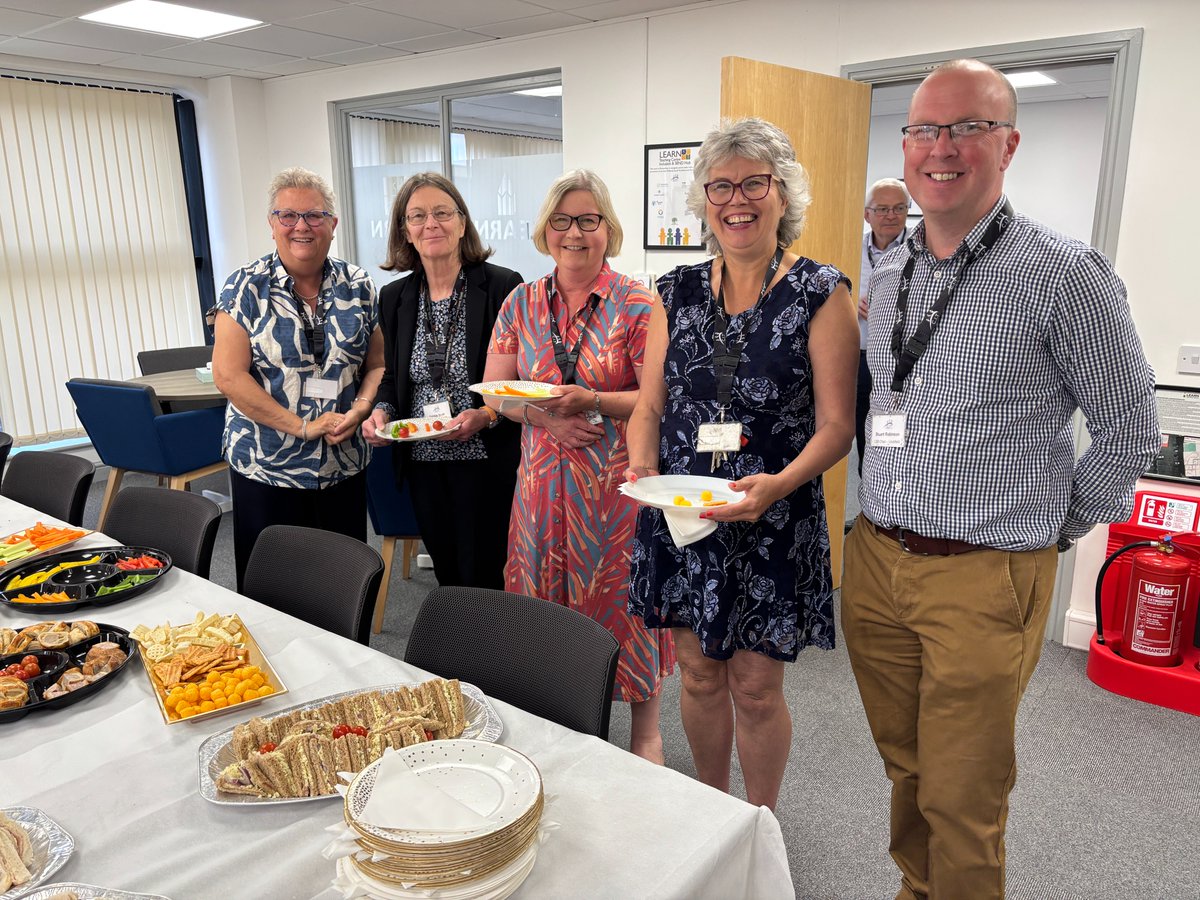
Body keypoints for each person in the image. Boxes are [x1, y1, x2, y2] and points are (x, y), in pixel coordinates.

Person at [842, 59, 1158, 900]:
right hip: (876, 562)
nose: (940, 149)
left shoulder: (1063, 273)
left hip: (985, 574)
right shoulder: (887, 268)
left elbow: (1132, 429)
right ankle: (919, 888)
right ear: (903, 145)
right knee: (905, 766)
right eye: (922, 129)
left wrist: (1051, 526)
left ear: (1008, 143)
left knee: (964, 790)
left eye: (967, 128)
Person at [625, 117, 859, 809]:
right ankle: (712, 808)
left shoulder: (822, 292)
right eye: (720, 185)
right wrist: (641, 471)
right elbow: (647, 406)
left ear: (782, 194)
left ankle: (759, 820)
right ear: (703, 199)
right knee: (697, 677)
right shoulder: (675, 291)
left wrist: (779, 484)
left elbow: (838, 427)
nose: (737, 200)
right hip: (686, 516)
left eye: (753, 183)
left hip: (772, 518)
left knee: (756, 687)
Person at [482, 170, 675, 763]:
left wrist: (589, 400)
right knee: (541, 599)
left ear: (607, 230)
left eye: (588, 220)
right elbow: (494, 391)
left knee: (626, 603)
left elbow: (656, 396)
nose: (574, 233)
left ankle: (645, 731)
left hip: (614, 490)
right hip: (541, 488)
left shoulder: (638, 304)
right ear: (545, 231)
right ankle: (555, 721)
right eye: (562, 221)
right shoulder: (521, 302)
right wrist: (546, 418)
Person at [213, 167, 384, 590]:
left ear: (333, 224)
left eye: (314, 215)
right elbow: (229, 376)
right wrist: (301, 428)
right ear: (272, 224)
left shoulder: (359, 285)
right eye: (287, 216)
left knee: (341, 586)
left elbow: (378, 365)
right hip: (266, 466)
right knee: (274, 589)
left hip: (343, 463)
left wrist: (361, 409)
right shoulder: (244, 287)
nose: (301, 226)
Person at [361, 173, 523, 589]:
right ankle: (458, 650)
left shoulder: (503, 286)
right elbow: (395, 376)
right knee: (448, 571)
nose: (430, 223)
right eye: (417, 216)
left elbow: (517, 380)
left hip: (484, 456)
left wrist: (486, 414)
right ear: (405, 231)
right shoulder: (395, 297)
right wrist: (381, 411)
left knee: (486, 570)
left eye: (441, 212)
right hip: (422, 458)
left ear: (462, 223)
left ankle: (494, 653)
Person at [856, 178, 910, 476]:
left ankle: (882, 504)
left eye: (899, 208)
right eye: (883, 209)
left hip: (897, 361)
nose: (891, 215)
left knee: (888, 436)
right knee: (854, 427)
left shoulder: (921, 253)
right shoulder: (849, 249)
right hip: (855, 357)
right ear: (867, 214)